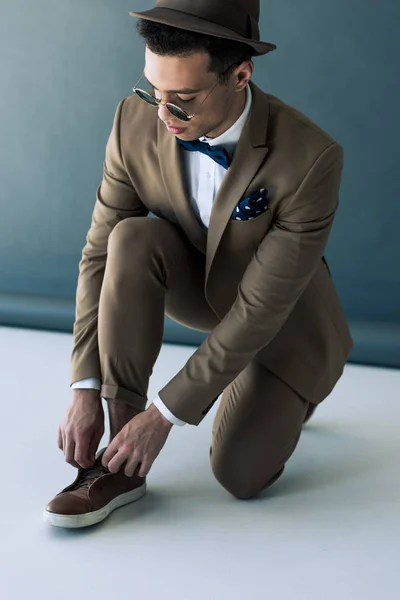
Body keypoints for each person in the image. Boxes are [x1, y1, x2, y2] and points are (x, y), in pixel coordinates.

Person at [44, 0, 353, 529]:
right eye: (154, 91)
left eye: (182, 101)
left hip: (282, 326)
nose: (162, 116)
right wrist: (85, 386)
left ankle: (294, 394)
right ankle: (119, 467)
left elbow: (261, 308)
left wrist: (164, 415)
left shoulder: (311, 159)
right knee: (130, 238)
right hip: (202, 291)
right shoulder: (135, 119)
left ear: (240, 74)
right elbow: (98, 253)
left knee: (240, 477)